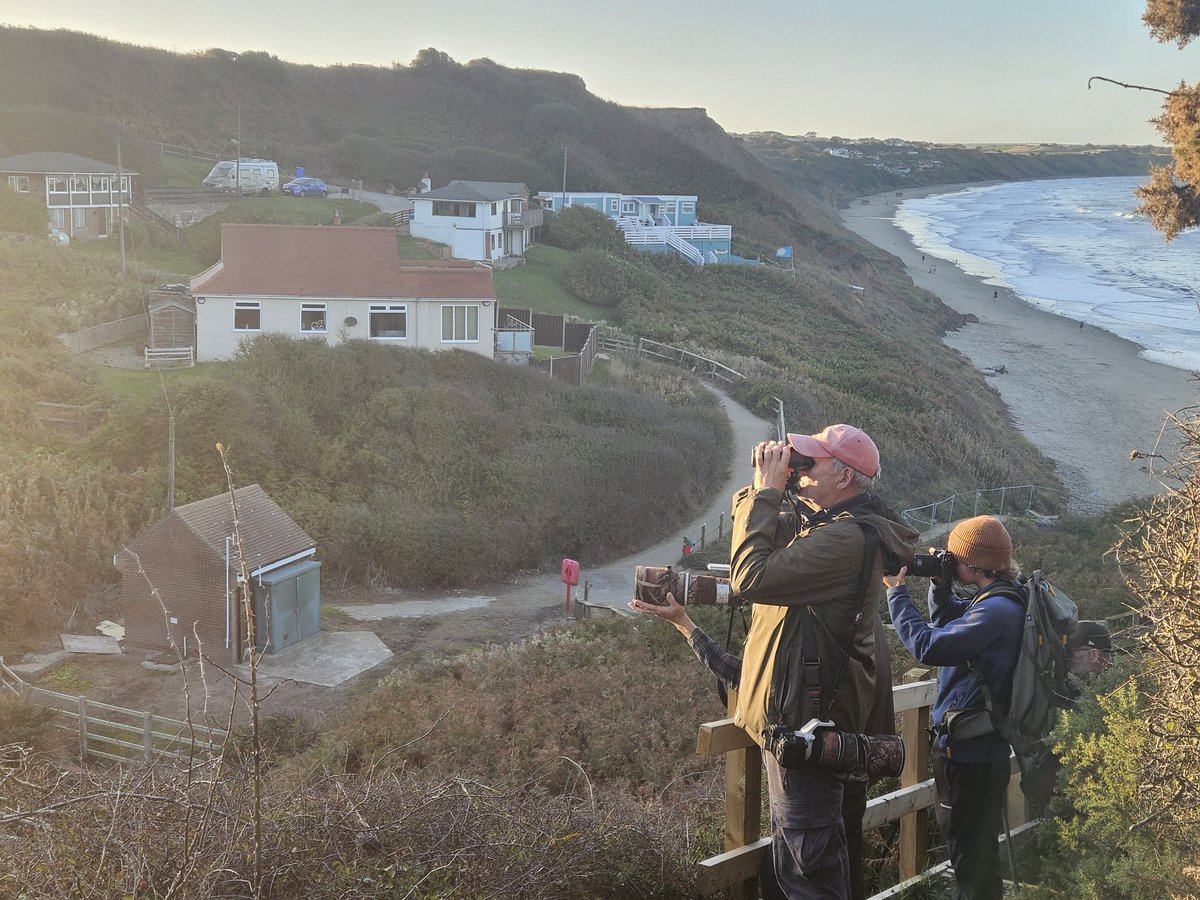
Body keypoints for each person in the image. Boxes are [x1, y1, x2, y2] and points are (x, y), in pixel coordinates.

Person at [631, 424, 919, 899]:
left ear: (844, 477)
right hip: (803, 730)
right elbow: (755, 528)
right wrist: (762, 488)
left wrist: (768, 490)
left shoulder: (844, 541)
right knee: (807, 870)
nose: (799, 469)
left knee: (809, 880)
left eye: (810, 463)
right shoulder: (830, 528)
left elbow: (749, 577)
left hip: (808, 736)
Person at [883, 516, 1024, 900]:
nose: (948, 561)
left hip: (970, 757)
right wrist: (940, 586)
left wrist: (897, 594)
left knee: (969, 863)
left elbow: (931, 646)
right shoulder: (1002, 598)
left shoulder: (996, 611)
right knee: (979, 855)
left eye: (954, 558)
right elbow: (951, 621)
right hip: (982, 751)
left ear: (975, 564)